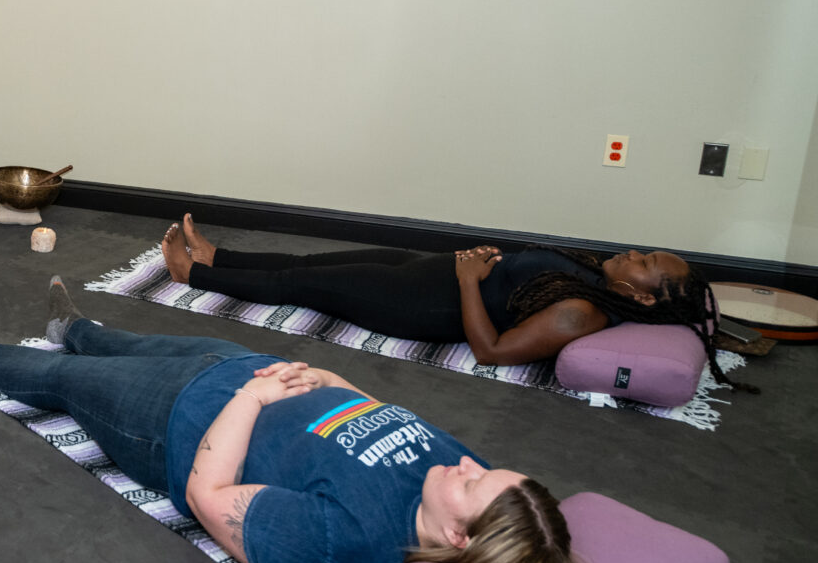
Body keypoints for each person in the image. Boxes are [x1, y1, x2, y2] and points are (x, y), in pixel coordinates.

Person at [0, 280, 589, 563]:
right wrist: (319, 377)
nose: (466, 461)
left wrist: (252, 399)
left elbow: (205, 497)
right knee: (121, 341)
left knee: (64, 380)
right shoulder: (453, 471)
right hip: (244, 367)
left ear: (459, 538)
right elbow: (372, 408)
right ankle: (72, 324)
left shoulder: (343, 548)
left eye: (474, 483)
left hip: (173, 423)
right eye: (486, 468)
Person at [159, 214, 744, 385]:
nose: (634, 255)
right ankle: (219, 256)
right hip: (436, 271)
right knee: (311, 261)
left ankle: (194, 278)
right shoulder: (593, 279)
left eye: (645, 266)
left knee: (304, 285)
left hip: (424, 304)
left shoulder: (582, 313)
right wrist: (487, 263)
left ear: (643, 301)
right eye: (645, 253)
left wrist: (470, 282)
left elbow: (490, 351)